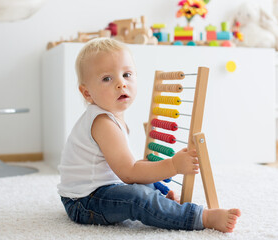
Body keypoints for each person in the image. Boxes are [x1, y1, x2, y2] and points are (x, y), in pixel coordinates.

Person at [57, 38, 241, 232]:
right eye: (107, 78)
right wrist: (173, 166)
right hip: (84, 202)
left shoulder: (111, 117)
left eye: (126, 74)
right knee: (138, 198)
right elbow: (128, 173)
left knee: (146, 174)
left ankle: (162, 204)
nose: (121, 84)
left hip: (103, 188)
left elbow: (130, 169)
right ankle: (200, 217)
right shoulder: (103, 123)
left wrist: (154, 182)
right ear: (87, 93)